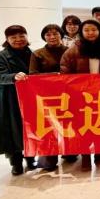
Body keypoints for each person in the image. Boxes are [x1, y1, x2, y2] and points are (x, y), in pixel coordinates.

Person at [60, 20, 100, 170]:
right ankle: (85, 158)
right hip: (81, 95)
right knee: (83, 126)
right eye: (86, 30)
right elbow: (65, 70)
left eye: (94, 29)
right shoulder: (73, 50)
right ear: (81, 32)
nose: (90, 33)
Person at [0, 25, 35, 176]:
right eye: (13, 37)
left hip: (29, 97)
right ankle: (16, 163)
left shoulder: (33, 54)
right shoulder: (0, 57)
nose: (18, 40)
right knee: (11, 131)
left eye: (21, 36)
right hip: (9, 98)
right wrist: (13, 77)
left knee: (29, 128)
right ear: (7, 39)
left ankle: (31, 158)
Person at [29, 24, 68, 171]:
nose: (52, 37)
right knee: (49, 127)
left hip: (67, 95)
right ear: (44, 37)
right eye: (48, 34)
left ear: (61, 35)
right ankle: (48, 161)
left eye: (55, 34)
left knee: (68, 126)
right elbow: (33, 74)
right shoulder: (37, 54)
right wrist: (55, 76)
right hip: (46, 96)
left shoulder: (69, 51)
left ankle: (70, 153)